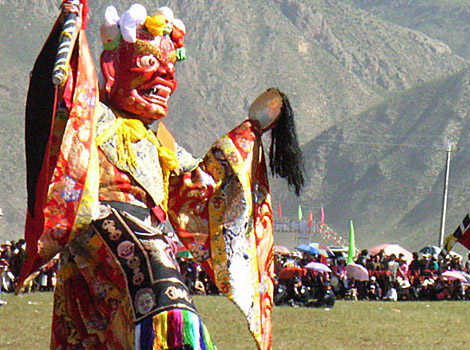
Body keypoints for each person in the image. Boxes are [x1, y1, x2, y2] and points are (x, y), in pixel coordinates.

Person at [21, 2, 302, 349]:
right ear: (111, 69)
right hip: (100, 233)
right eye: (150, 64)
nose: (165, 78)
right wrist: (70, 29)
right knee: (167, 300)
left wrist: (248, 134)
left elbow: (197, 191)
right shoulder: (92, 117)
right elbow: (56, 103)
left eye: (170, 68)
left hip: (143, 237)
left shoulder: (161, 142)